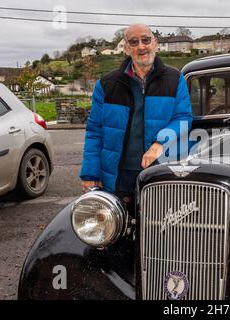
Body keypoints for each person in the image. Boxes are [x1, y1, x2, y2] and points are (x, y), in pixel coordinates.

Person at [79, 23, 193, 205]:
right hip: (117, 177)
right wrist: (90, 173)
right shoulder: (107, 84)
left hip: (160, 171)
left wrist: (159, 143)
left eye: (145, 40)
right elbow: (94, 131)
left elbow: (183, 119)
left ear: (155, 43)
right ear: (126, 48)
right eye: (134, 42)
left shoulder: (174, 78)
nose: (141, 46)